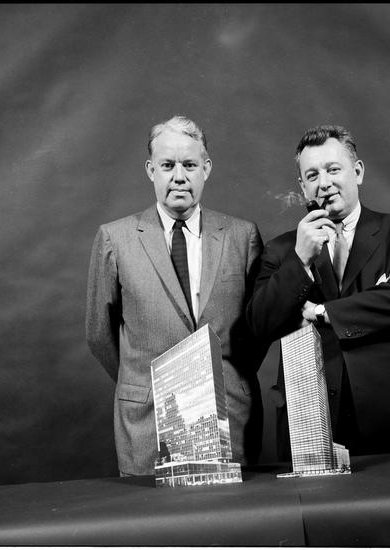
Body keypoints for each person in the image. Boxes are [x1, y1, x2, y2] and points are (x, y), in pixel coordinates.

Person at [247, 124, 390, 459]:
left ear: (357, 172)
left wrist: (320, 312)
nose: (324, 182)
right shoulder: (283, 250)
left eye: (333, 169)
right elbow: (259, 324)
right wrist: (300, 260)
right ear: (302, 186)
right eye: (312, 175)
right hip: (313, 425)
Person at [86, 115, 265, 475]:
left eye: (189, 165)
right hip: (147, 423)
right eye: (168, 165)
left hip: (230, 417)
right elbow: (98, 334)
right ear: (151, 170)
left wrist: (230, 376)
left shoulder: (242, 236)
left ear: (206, 169)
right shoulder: (115, 239)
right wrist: (142, 381)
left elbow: (258, 327)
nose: (179, 176)